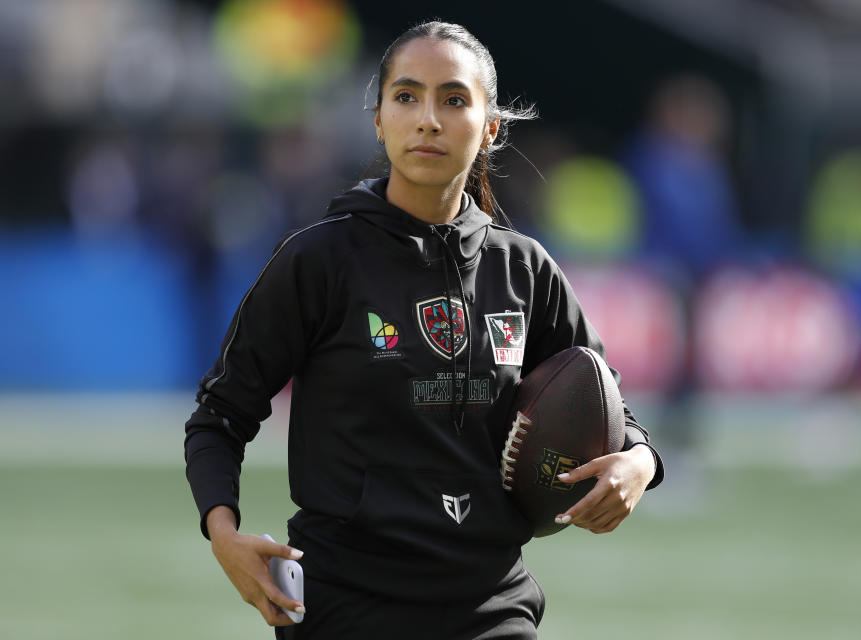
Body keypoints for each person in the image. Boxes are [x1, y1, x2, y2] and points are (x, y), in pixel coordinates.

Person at [184, 20, 664, 639]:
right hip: (344, 607)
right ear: (379, 120)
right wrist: (223, 535)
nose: (428, 119)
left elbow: (609, 405)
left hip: (493, 607)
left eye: (455, 100)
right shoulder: (319, 260)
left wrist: (639, 464)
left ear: (490, 128)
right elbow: (220, 415)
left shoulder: (525, 270)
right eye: (406, 97)